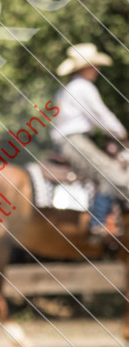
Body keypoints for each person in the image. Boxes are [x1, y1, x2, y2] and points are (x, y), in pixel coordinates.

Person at [50, 42, 129, 236]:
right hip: (75, 141)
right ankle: (99, 223)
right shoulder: (83, 87)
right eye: (93, 65)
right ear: (84, 68)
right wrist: (121, 133)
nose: (97, 69)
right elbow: (101, 115)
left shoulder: (66, 89)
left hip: (69, 141)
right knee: (114, 176)